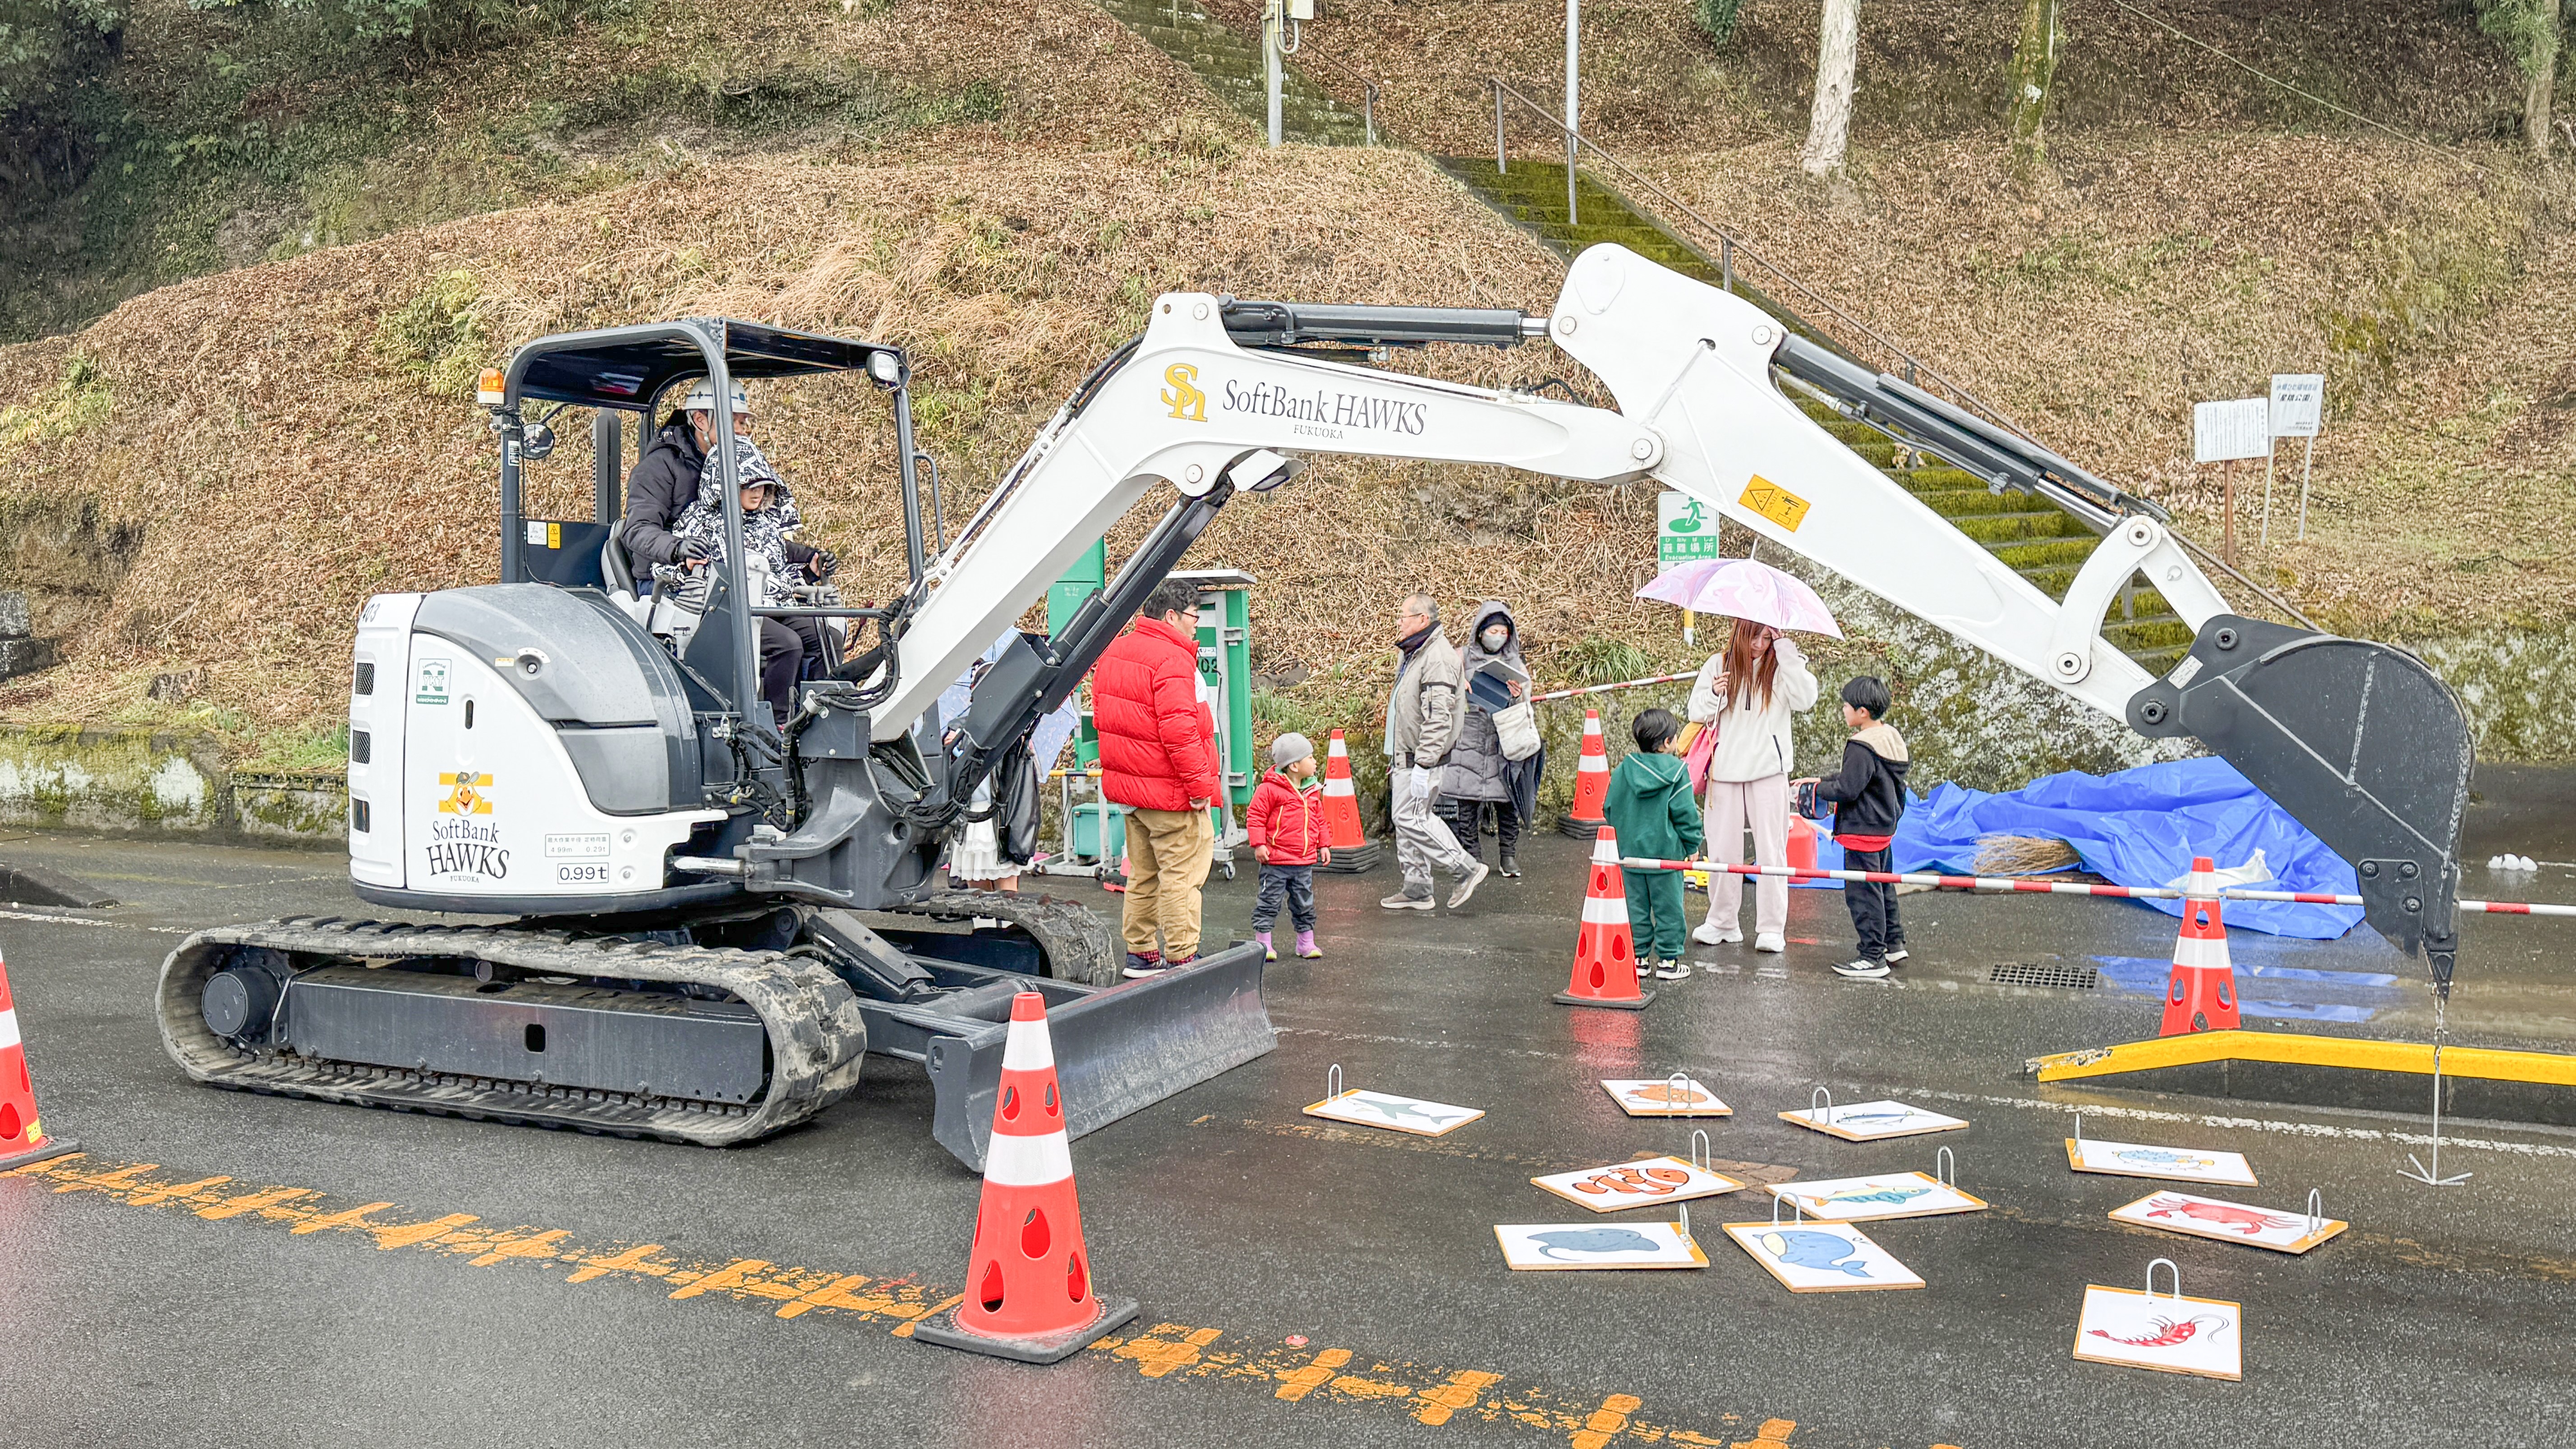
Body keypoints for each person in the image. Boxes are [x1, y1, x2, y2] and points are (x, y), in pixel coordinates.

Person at [1090, 577, 1221, 978]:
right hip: (1171, 792)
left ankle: (1141, 953)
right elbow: (1180, 731)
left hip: (1132, 792)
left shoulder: (1115, 651)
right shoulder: (1173, 660)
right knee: (1182, 877)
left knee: (1143, 874)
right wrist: (1201, 787)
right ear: (1171, 616)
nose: (1197, 624)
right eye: (1194, 616)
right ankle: (1184, 956)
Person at [668, 435, 837, 722]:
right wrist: (687, 566)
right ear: (724, 483)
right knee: (788, 644)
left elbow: (780, 572)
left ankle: (821, 713)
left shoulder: (767, 524)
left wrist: (812, 569)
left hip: (774, 605)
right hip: (725, 610)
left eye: (762, 484)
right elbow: (673, 570)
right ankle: (779, 723)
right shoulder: (699, 522)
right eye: (748, 484)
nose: (757, 492)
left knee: (826, 637)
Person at [1687, 616, 1819, 952]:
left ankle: (1772, 927)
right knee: (1721, 850)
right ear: (1740, 632)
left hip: (1768, 771)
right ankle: (1722, 921)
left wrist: (1786, 648)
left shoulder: (1781, 666)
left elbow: (1806, 698)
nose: (1759, 644)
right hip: (1725, 771)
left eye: (1766, 637)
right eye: (1754, 636)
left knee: (1772, 850)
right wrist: (1715, 694)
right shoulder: (1719, 663)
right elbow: (1695, 709)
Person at [1380, 593, 1489, 912]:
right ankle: (1417, 888)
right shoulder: (1415, 653)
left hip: (1419, 759)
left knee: (1412, 817)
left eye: (1403, 616)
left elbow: (1439, 717)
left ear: (1422, 620)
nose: (1399, 622)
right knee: (1409, 820)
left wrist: (1424, 764)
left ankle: (1465, 868)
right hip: (1406, 756)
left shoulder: (1436, 657)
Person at [1799, 676, 1912, 980]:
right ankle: (1893, 942)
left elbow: (1848, 788)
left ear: (1862, 712)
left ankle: (1871, 956)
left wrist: (1817, 790)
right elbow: (1858, 778)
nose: (1844, 710)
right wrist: (1819, 780)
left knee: (1863, 894)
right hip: (1883, 827)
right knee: (1884, 885)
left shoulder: (1861, 746)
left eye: (1847, 706)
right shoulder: (1890, 736)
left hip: (1861, 831)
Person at [1603, 708, 1705, 981]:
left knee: (1635, 908)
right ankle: (1669, 961)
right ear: (1669, 742)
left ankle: (1638, 959)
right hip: (1666, 857)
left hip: (1630, 856)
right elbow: (1685, 814)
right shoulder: (1678, 773)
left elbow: (1609, 807)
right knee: (1669, 909)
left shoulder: (1624, 770)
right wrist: (1692, 845)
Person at [1440, 600, 1536, 878]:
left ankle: (1508, 856)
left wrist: (1518, 694)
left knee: (1507, 803)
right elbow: (1443, 689)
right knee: (1466, 803)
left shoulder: (1515, 663)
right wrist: (1460, 687)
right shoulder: (1460, 657)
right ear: (1480, 632)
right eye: (1493, 631)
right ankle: (1472, 858)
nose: (1498, 637)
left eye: (1504, 632)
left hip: (1503, 739)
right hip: (1468, 736)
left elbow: (1527, 701)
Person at [1246, 732, 1331, 961]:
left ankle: (1306, 943)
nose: (1315, 762)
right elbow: (1256, 817)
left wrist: (1324, 844)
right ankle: (1263, 945)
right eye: (1310, 758)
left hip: (1303, 863)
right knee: (1268, 903)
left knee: (1305, 904)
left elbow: (1319, 820)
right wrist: (1259, 844)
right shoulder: (1269, 790)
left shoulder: (1312, 791)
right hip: (1275, 862)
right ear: (1294, 765)